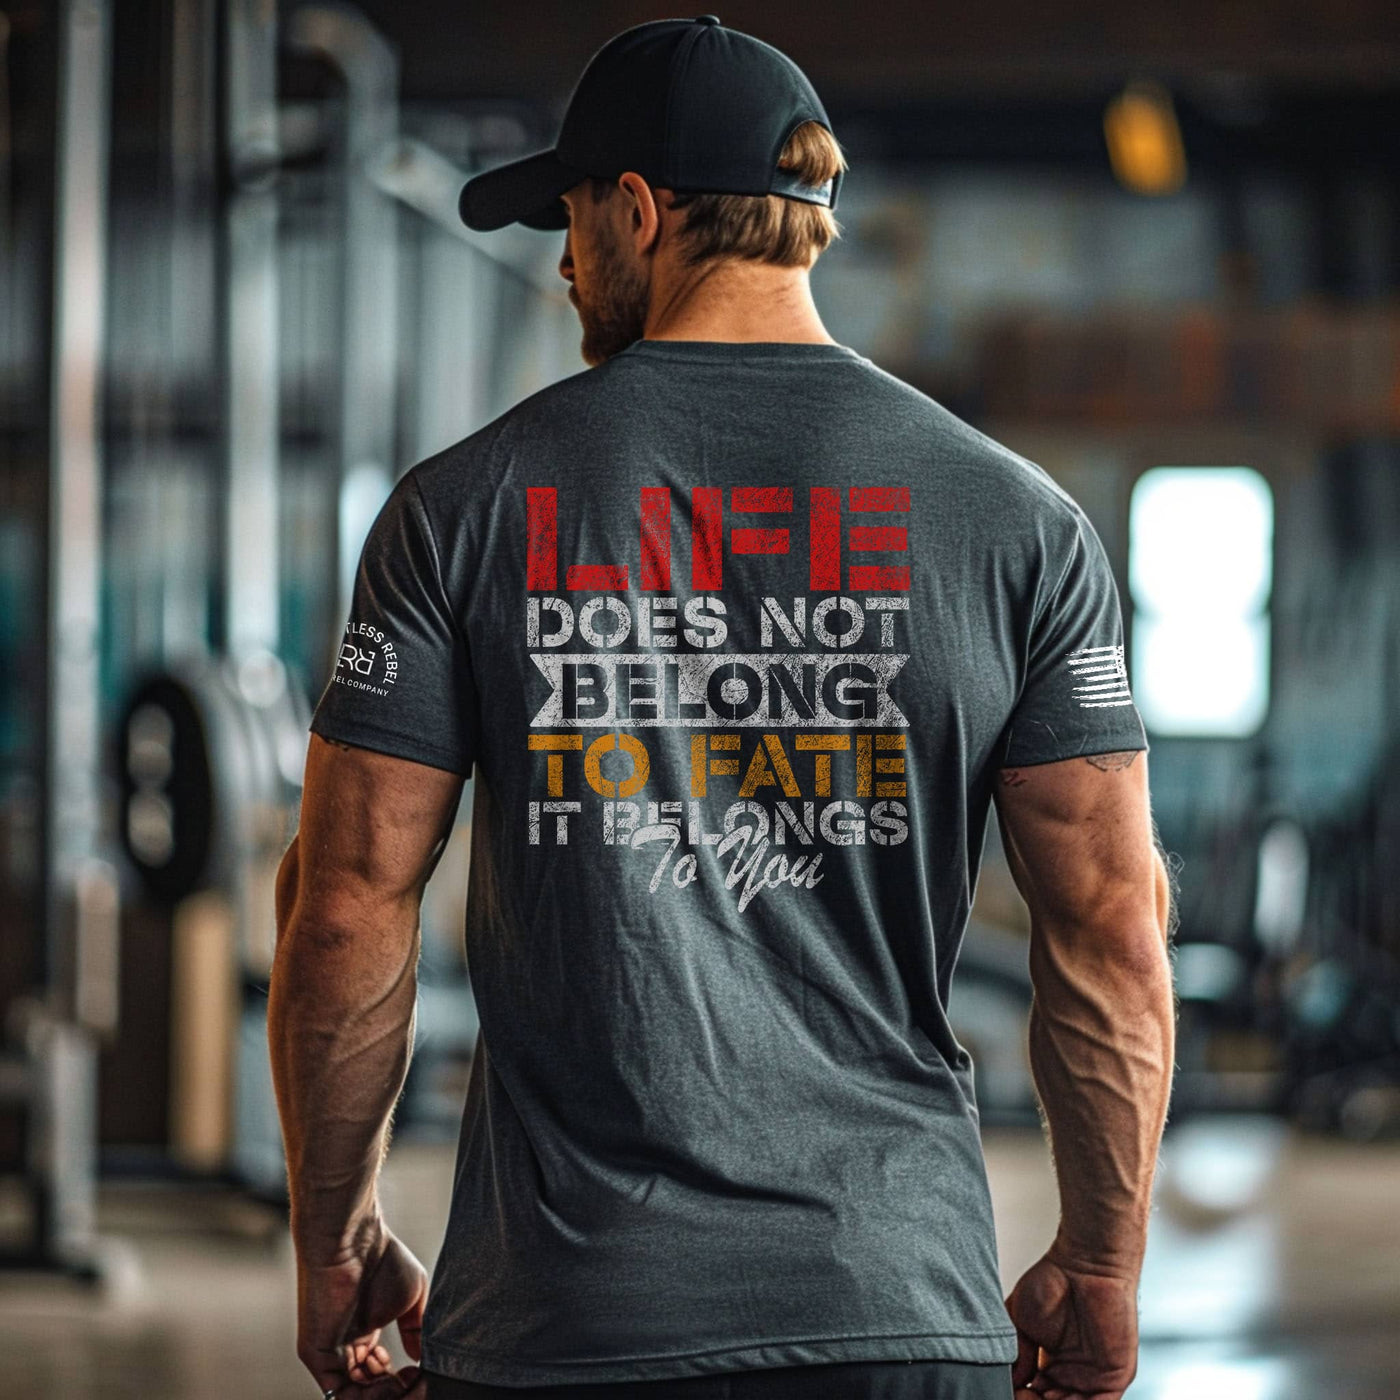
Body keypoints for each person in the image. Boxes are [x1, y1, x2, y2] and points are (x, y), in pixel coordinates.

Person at [268, 15, 1176, 1400]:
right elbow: (1113, 925)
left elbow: (343, 908)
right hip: (892, 1312)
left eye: (571, 223)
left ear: (638, 210)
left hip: (568, 1328)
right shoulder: (1021, 525)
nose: (567, 266)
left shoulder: (461, 509)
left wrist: (334, 1239)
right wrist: (1104, 1264)